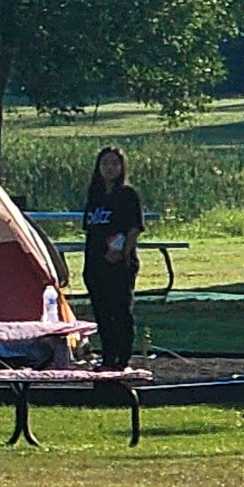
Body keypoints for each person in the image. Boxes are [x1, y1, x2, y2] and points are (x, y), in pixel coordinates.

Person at [82, 145, 144, 372]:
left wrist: (121, 252)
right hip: (95, 263)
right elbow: (91, 229)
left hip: (119, 264)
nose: (109, 168)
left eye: (114, 164)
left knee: (120, 310)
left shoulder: (128, 195)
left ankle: (123, 358)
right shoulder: (95, 196)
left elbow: (134, 228)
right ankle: (108, 357)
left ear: (122, 167)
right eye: (105, 164)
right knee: (102, 311)